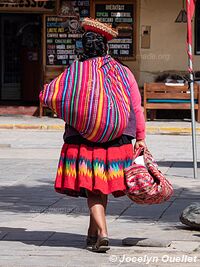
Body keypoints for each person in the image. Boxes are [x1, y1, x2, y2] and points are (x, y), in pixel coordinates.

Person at [53, 18, 146, 252]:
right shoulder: (123, 72)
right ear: (106, 47)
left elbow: (50, 95)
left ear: (83, 49)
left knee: (94, 187)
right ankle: (94, 232)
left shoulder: (74, 72)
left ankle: (100, 232)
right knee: (100, 186)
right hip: (118, 140)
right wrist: (141, 137)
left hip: (82, 140)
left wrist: (73, 113)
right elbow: (136, 107)